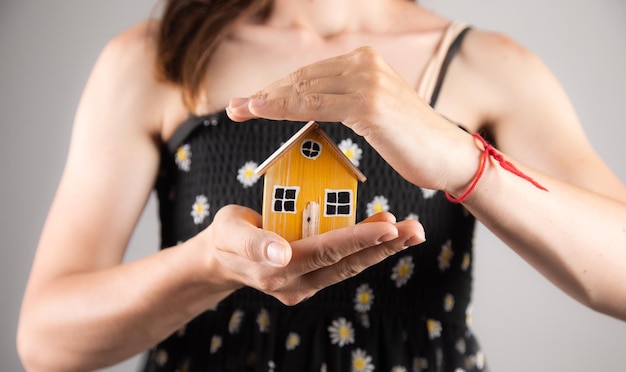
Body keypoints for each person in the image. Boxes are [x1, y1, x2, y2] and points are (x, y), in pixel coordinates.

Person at [16, 0, 626, 371]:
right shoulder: (158, 60)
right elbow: (46, 342)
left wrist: (467, 161)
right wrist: (205, 267)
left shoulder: (487, 65)